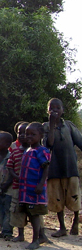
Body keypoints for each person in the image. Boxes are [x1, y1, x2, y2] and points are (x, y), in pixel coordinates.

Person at [43, 98, 82, 237]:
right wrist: (52, 125)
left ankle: (76, 221)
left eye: (57, 108)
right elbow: (49, 145)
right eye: (51, 108)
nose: (54, 110)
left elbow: (80, 142)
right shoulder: (45, 127)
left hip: (70, 167)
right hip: (54, 169)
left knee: (74, 195)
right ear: (47, 111)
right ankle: (62, 227)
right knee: (57, 198)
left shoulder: (69, 126)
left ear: (62, 110)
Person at [19, 122, 51, 250]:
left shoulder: (41, 151)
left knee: (35, 214)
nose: (29, 136)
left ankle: (36, 239)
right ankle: (40, 236)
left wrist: (41, 184)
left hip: (35, 189)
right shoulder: (28, 149)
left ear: (41, 135)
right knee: (31, 214)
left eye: (33, 134)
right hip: (26, 189)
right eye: (27, 134)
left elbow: (46, 167)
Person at [6, 121, 30, 242]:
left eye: (25, 133)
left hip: (32, 188)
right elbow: (10, 166)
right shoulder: (14, 150)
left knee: (35, 212)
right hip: (18, 186)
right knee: (17, 210)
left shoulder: (36, 150)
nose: (21, 135)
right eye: (19, 133)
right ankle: (20, 234)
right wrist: (16, 177)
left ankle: (40, 234)